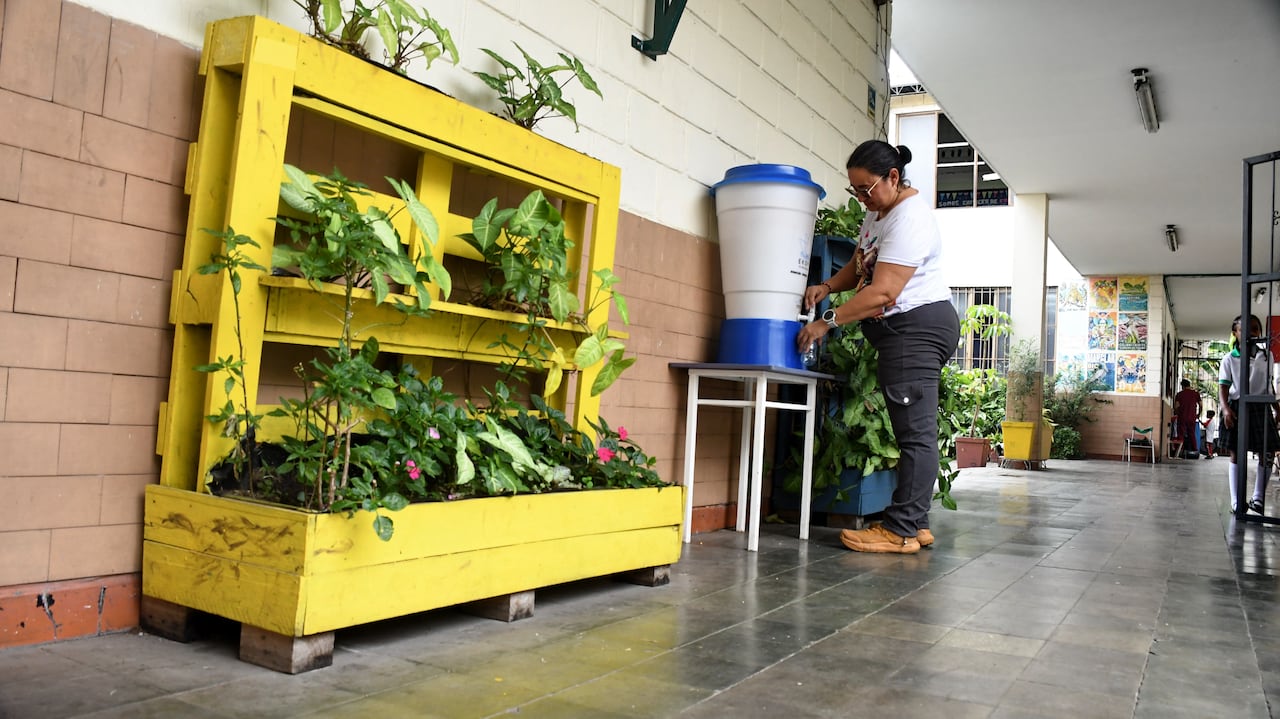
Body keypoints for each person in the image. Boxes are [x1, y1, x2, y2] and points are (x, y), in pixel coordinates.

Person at [796, 140, 959, 554]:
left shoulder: (909, 219)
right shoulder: (878, 212)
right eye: (854, 191)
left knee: (915, 434)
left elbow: (883, 292)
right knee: (912, 430)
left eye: (866, 188)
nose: (862, 198)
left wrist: (826, 322)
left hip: (916, 328)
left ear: (893, 177)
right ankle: (916, 525)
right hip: (905, 332)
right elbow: (861, 265)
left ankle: (901, 530)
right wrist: (828, 285)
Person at [1218, 314, 1280, 514]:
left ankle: (1258, 498)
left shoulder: (1267, 356)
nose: (1250, 333)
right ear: (1235, 333)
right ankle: (1237, 502)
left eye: (1254, 329)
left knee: (1267, 451)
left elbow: (1268, 384)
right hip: (1237, 406)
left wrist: (1277, 408)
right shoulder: (1229, 359)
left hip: (1261, 406)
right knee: (1236, 452)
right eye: (1244, 329)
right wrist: (1226, 409)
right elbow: (1223, 388)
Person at [1174, 378, 1202, 458]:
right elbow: (1201, 405)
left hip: (1182, 417)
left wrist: (1177, 413)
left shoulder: (1179, 394)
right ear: (1189, 385)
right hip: (1192, 417)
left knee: (1181, 434)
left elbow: (1176, 406)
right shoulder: (1196, 394)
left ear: (1182, 386)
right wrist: (1198, 414)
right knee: (1192, 434)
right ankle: (1195, 451)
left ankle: (1179, 452)